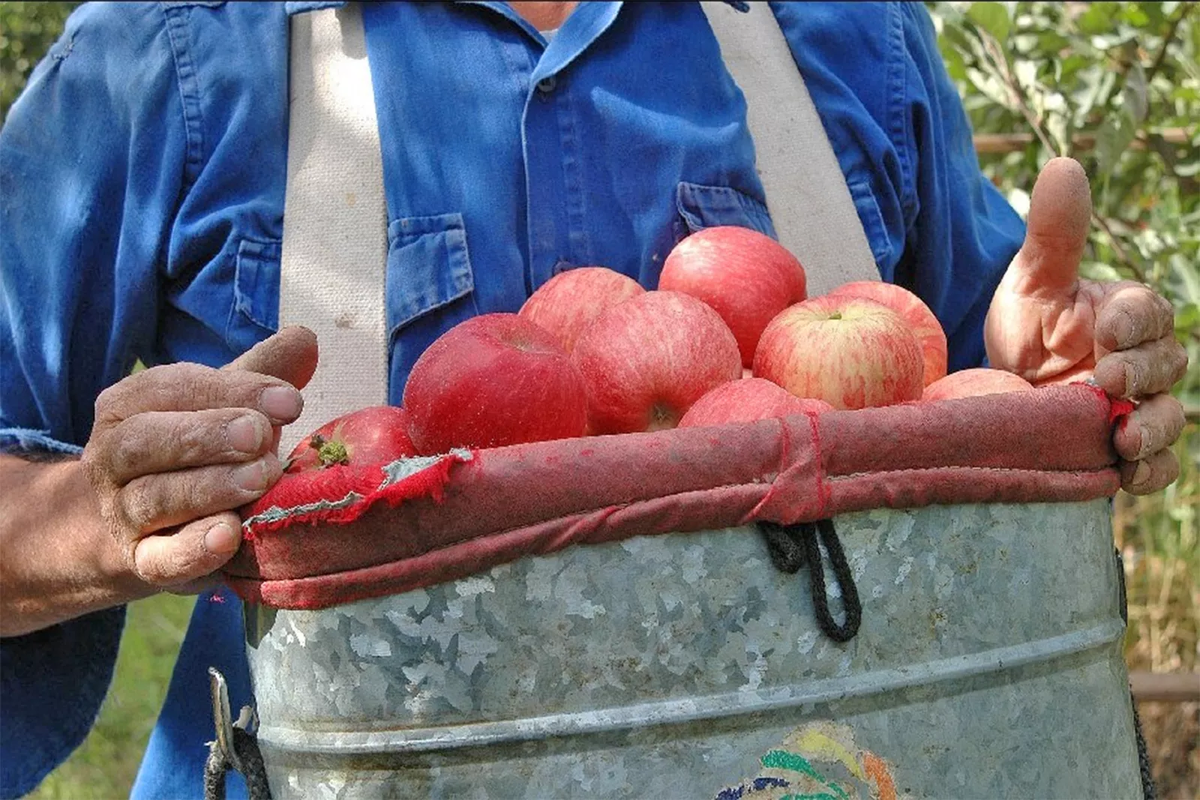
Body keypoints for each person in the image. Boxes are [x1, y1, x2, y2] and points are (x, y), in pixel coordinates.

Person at [0, 1, 1187, 797]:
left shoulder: (844, 36)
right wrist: (90, 522)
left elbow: (991, 367)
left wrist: (1040, 377)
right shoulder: (171, 55)